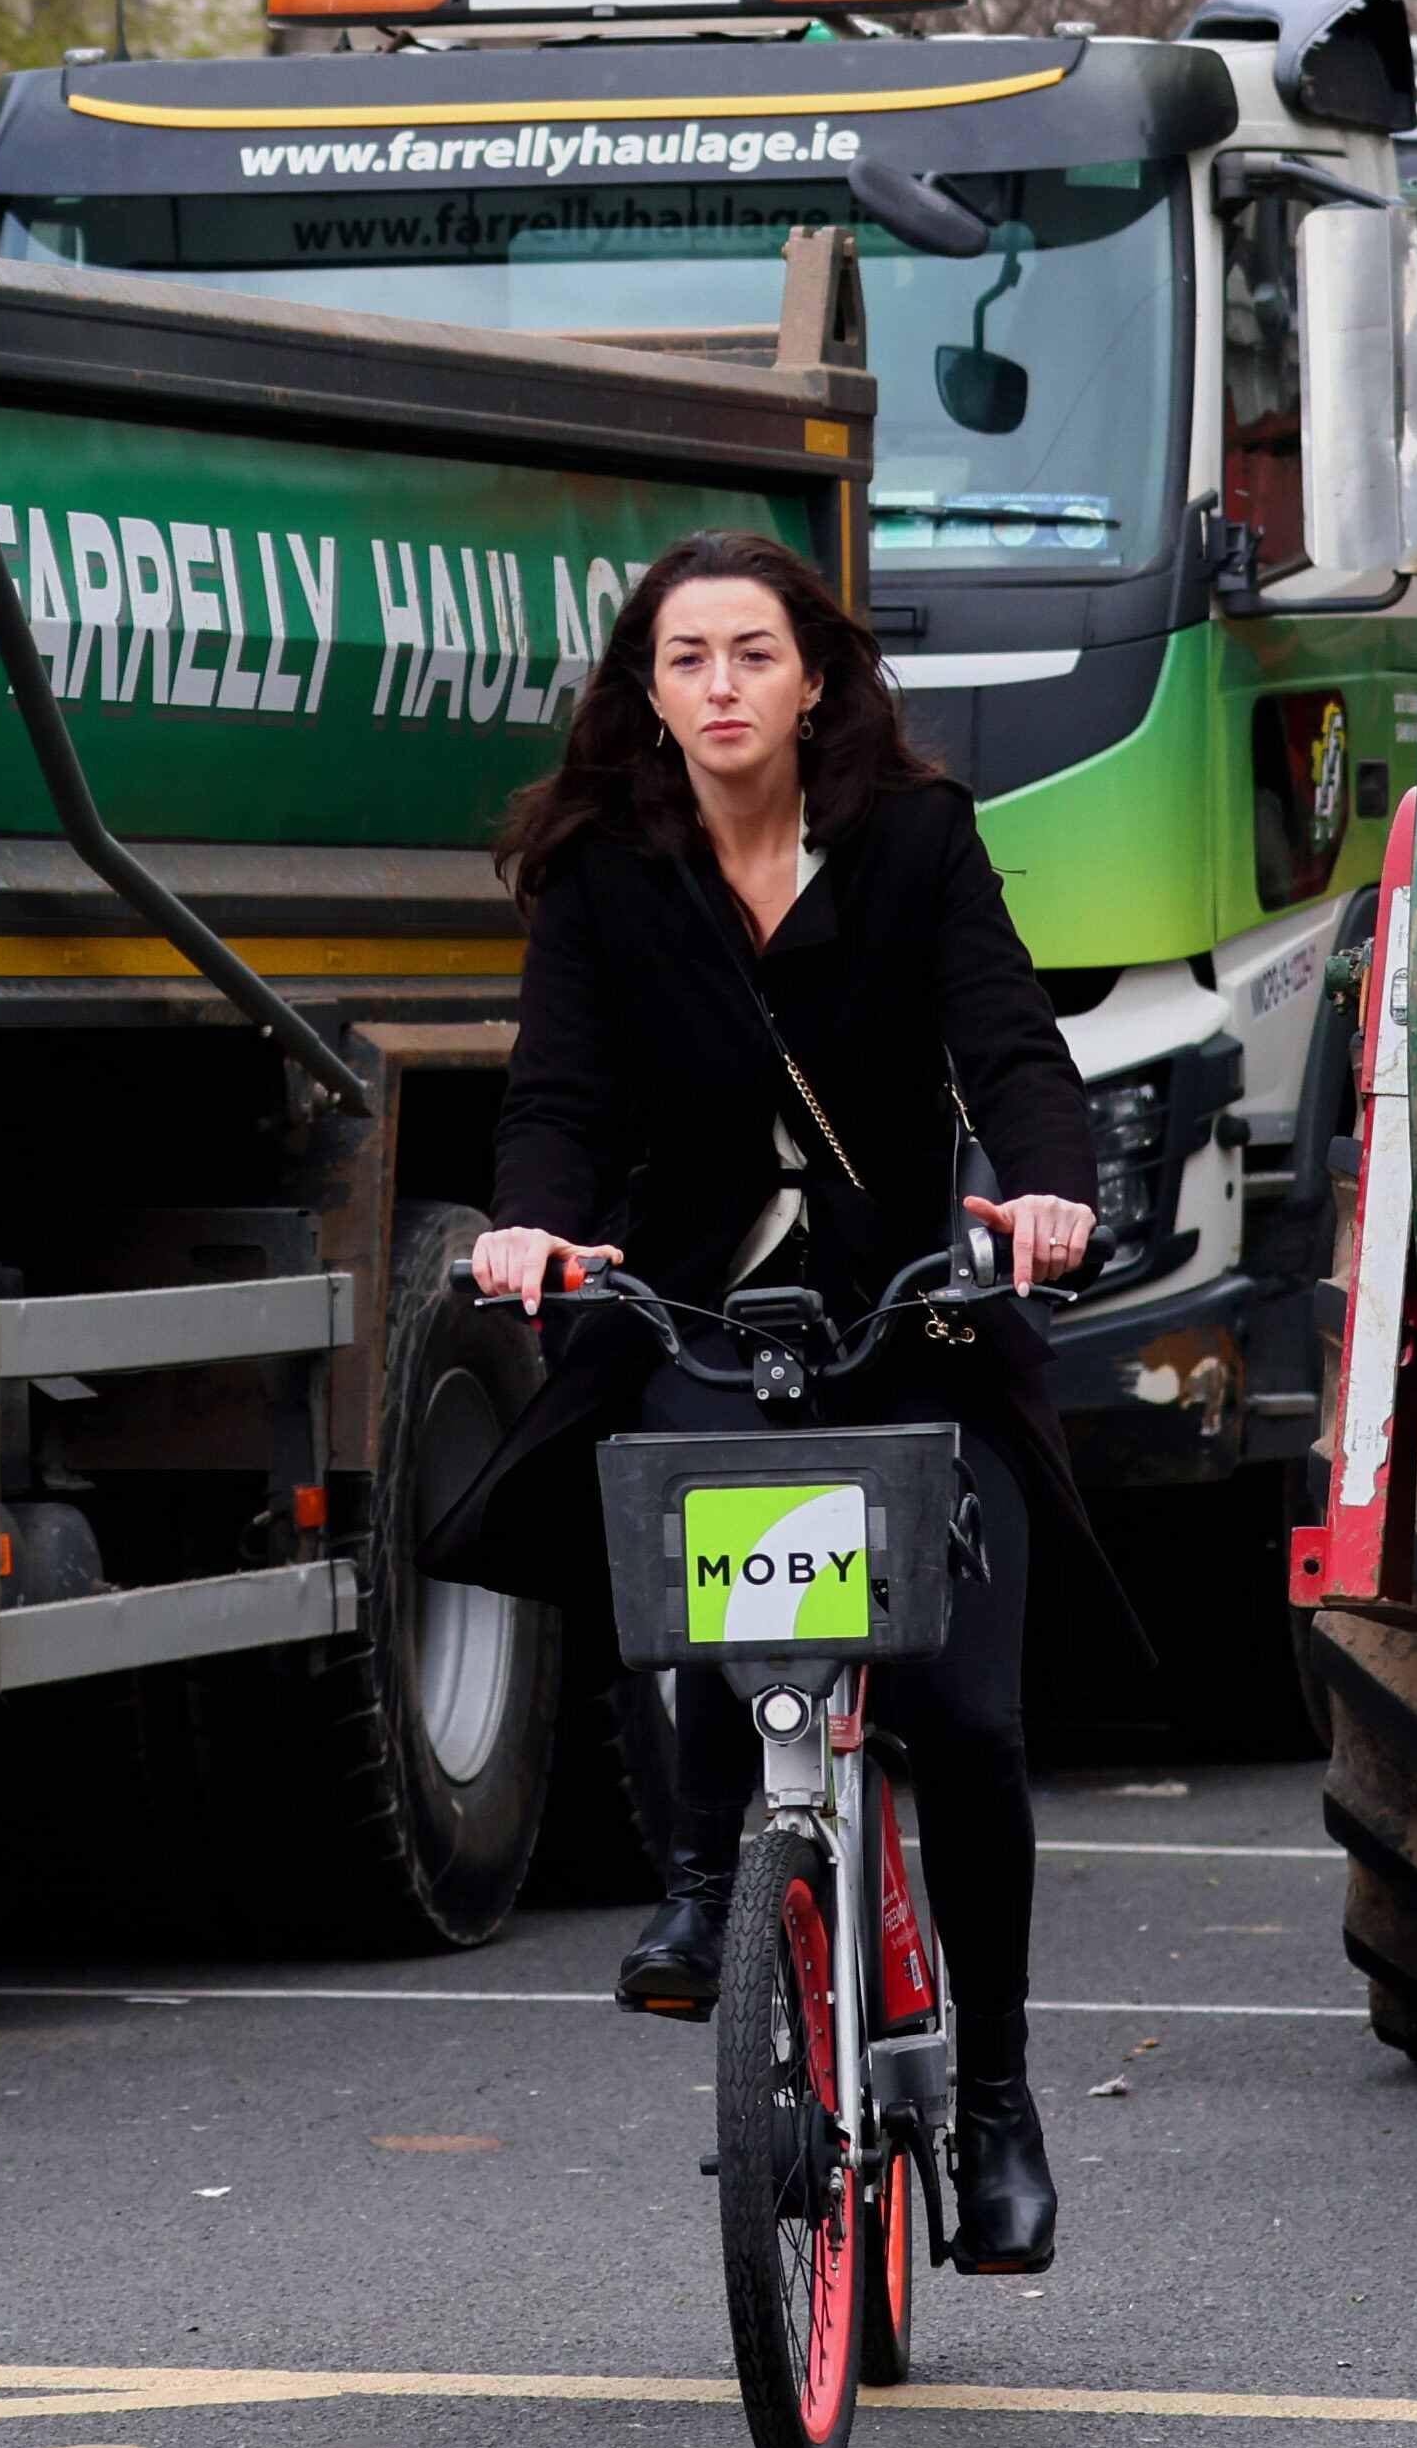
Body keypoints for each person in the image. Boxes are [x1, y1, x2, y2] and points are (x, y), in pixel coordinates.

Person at [436, 533, 1105, 2275]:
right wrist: (535, 1227)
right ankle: (701, 1876)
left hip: (910, 1316)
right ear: (645, 696)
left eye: (753, 655)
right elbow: (558, 1099)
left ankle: (1003, 2101)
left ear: (814, 679)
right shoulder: (603, 873)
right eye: (685, 661)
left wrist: (1039, 1193)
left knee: (963, 1718)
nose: (721, 687)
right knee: (668, 1554)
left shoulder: (917, 842)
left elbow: (1010, 1044)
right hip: (708, 1307)